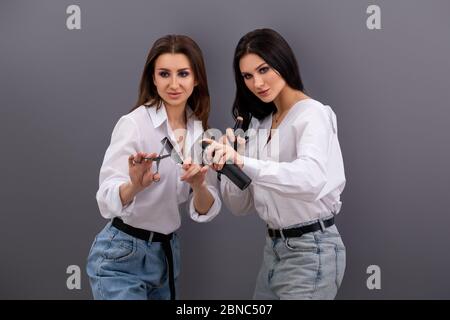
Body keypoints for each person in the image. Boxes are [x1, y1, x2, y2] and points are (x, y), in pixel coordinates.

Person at [204, 28, 346, 299]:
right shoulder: (261, 125)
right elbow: (240, 206)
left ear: (282, 61)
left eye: (264, 69)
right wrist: (230, 168)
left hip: (311, 250)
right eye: (247, 76)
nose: (257, 83)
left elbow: (310, 179)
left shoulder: (313, 114)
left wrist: (243, 161)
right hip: (273, 250)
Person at [86, 35, 221, 300]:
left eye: (183, 73)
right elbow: (105, 201)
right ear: (153, 78)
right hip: (121, 255)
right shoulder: (134, 123)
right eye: (164, 74)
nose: (174, 84)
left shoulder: (201, 134)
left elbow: (206, 207)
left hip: (166, 255)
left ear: (196, 79)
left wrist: (198, 185)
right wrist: (134, 185)